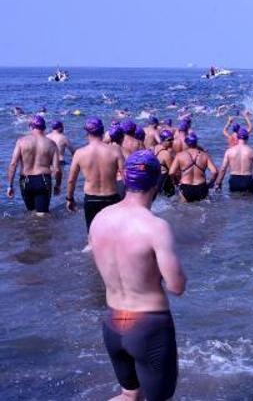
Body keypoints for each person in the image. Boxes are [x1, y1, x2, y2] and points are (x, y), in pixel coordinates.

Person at [89, 150, 186, 401]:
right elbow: (176, 286)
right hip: (148, 327)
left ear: (124, 178)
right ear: (156, 182)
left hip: (112, 323)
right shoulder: (155, 227)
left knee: (129, 395)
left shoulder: (99, 219)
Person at [66, 118, 125, 232]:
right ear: (102, 132)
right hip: (111, 198)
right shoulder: (115, 151)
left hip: (91, 199)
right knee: (113, 234)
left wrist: (69, 199)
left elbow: (71, 180)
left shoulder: (79, 153)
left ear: (87, 133)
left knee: (93, 235)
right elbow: (125, 177)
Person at [6, 116, 61, 216]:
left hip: (25, 181)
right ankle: (42, 231)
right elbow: (57, 170)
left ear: (31, 127)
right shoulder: (51, 144)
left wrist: (10, 186)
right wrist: (57, 185)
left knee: (31, 213)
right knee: (42, 215)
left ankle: (30, 231)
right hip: (43, 180)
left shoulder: (21, 142)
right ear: (44, 128)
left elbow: (13, 164)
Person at [169, 133, 217, 202]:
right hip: (201, 187)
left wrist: (175, 182)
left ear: (186, 143)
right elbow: (215, 171)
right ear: (196, 142)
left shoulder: (180, 155)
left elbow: (171, 172)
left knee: (184, 210)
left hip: (186, 187)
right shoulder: (205, 155)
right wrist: (210, 183)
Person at [215, 128, 253, 194]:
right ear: (247, 138)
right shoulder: (252, 151)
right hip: (248, 179)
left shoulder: (229, 151)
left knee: (234, 201)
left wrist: (218, 182)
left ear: (237, 138)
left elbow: (223, 168)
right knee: (250, 201)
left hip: (234, 179)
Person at [153, 130, 176, 198]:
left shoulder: (154, 148)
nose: (172, 141)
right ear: (163, 140)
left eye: (173, 139)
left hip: (154, 180)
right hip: (163, 180)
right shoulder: (166, 154)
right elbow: (173, 171)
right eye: (169, 140)